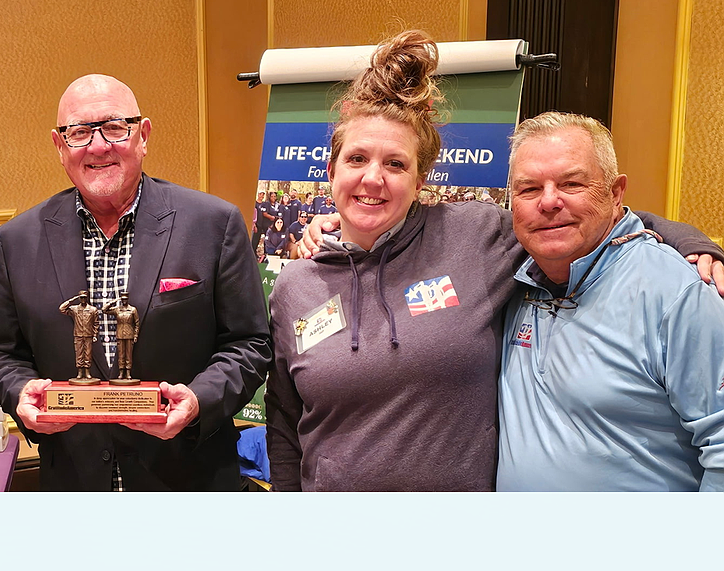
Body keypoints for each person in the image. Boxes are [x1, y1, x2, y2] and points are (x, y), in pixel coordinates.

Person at [266, 30, 724, 491]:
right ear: (331, 169)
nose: (373, 178)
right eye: (357, 158)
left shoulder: (473, 235)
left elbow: (579, 218)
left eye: (396, 164)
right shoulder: (296, 285)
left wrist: (692, 242)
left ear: (421, 179)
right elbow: (284, 425)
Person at [0, 73, 270, 491]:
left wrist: (197, 402)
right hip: (74, 484)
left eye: (115, 127)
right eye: (79, 132)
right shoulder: (16, 242)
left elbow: (250, 343)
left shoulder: (214, 224)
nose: (98, 146)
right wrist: (21, 392)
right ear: (60, 147)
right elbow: (0, 352)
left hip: (189, 481)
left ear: (143, 135)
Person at [497, 113, 724, 491]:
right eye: (529, 189)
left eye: (571, 184)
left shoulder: (681, 293)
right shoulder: (510, 280)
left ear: (616, 193)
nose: (549, 202)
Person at [60, 290, 101, 384]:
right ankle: (79, 372)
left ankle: (87, 373)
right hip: (78, 334)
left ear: (87, 298)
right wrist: (72, 300)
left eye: (84, 297)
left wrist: (95, 335)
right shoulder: (74, 309)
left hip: (88, 335)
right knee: (79, 354)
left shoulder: (92, 309)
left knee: (88, 354)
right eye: (81, 297)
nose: (83, 299)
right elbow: (62, 309)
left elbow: (96, 323)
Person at [101, 291, 141, 383]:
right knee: (121, 355)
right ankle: (121, 372)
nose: (124, 301)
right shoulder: (117, 309)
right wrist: (113, 301)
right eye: (122, 299)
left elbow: (137, 323)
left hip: (129, 334)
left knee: (128, 355)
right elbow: (104, 310)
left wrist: (135, 335)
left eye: (125, 299)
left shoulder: (132, 310)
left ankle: (128, 373)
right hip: (120, 334)